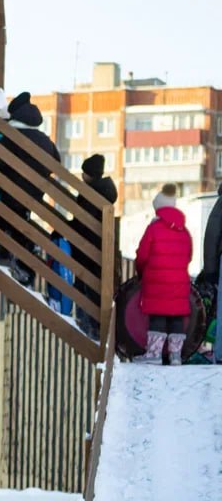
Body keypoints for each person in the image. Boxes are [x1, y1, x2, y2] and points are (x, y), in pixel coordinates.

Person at [0, 91, 61, 278]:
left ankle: (4, 253)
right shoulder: (45, 140)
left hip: (10, 196)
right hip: (34, 197)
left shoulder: (11, 137)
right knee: (19, 222)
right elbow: (57, 163)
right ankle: (25, 260)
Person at [134, 184, 193, 365]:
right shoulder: (184, 231)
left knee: (158, 315)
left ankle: (154, 354)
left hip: (156, 281)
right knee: (176, 315)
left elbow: (142, 255)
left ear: (158, 208)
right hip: (179, 282)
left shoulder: (153, 229)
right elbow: (189, 256)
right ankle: (175, 355)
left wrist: (141, 271)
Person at [71, 154, 120, 339]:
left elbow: (81, 222)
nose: (82, 176)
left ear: (89, 175)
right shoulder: (103, 193)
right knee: (94, 291)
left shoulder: (90, 195)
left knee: (85, 290)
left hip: (87, 249)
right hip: (98, 250)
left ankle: (89, 330)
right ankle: (95, 329)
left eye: (84, 172)